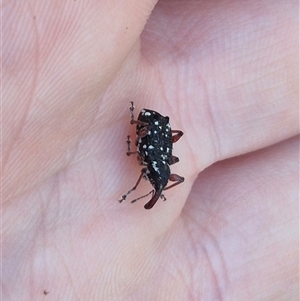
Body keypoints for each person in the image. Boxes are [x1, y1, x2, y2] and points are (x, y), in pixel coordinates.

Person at [3, 1, 298, 300]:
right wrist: (134, 188)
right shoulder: (156, 164)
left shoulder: (160, 167)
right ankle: (138, 130)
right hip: (150, 121)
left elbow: (151, 161)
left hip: (154, 128)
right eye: (158, 188)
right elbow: (144, 160)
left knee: (145, 157)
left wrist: (154, 185)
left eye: (155, 188)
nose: (156, 188)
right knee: (142, 157)